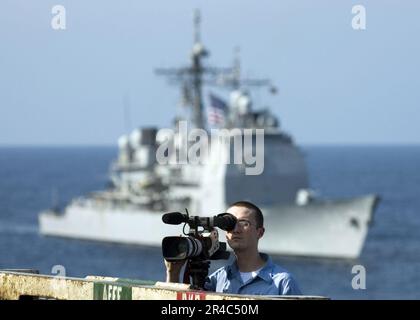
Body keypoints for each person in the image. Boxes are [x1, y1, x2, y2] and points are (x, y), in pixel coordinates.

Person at [165, 200, 302, 295]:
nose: (235, 230)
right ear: (225, 234)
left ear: (260, 232)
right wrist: (173, 273)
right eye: (229, 224)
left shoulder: (282, 282)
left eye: (244, 223)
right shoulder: (218, 279)